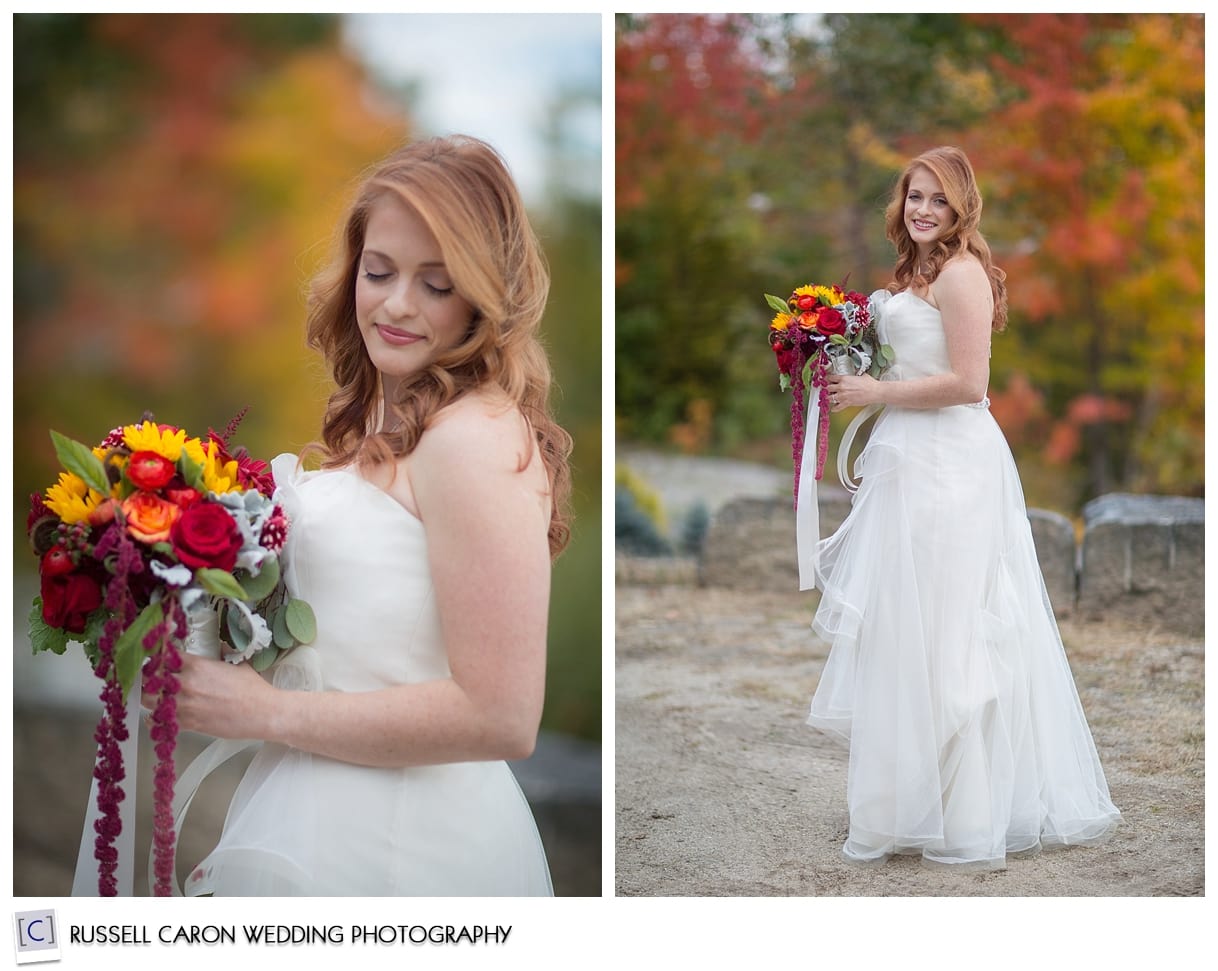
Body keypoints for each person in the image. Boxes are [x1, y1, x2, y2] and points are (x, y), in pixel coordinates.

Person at [154, 135, 572, 895]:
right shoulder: (392, 418)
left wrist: (268, 711)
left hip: (399, 849)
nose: (397, 303)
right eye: (379, 272)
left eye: (437, 284)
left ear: (485, 293)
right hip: (318, 808)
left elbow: (502, 715)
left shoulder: (471, 439)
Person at [807, 146, 1120, 868]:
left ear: (961, 209)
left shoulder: (963, 274)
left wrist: (877, 394)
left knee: (950, 628)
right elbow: (904, 363)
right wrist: (839, 363)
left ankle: (964, 807)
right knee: (902, 627)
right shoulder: (909, 272)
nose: (922, 210)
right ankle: (902, 802)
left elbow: (969, 383)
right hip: (903, 465)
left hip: (953, 465)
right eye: (914, 196)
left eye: (938, 201)